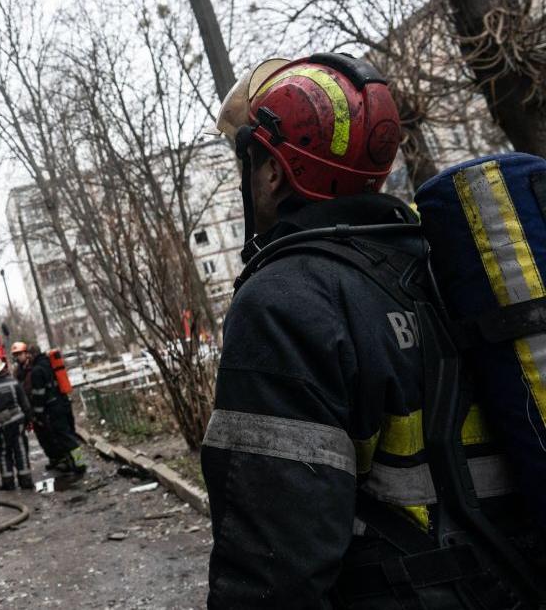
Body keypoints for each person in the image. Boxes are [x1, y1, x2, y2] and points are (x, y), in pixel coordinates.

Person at [202, 53, 542, 607]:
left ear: (270, 170)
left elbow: (273, 572)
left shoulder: (284, 302)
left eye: (248, 160)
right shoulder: (446, 261)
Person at [12, 342, 86, 475]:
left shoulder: (36, 371)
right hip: (63, 403)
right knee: (68, 435)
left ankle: (80, 464)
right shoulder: (48, 363)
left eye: (28, 354)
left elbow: (39, 394)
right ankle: (75, 463)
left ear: (31, 354)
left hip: (53, 408)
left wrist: (38, 414)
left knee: (66, 438)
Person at [0, 355, 34, 490]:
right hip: (17, 422)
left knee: (3, 452)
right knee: (20, 449)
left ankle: (8, 482)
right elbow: (24, 403)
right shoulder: (13, 383)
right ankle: (25, 480)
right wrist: (29, 420)